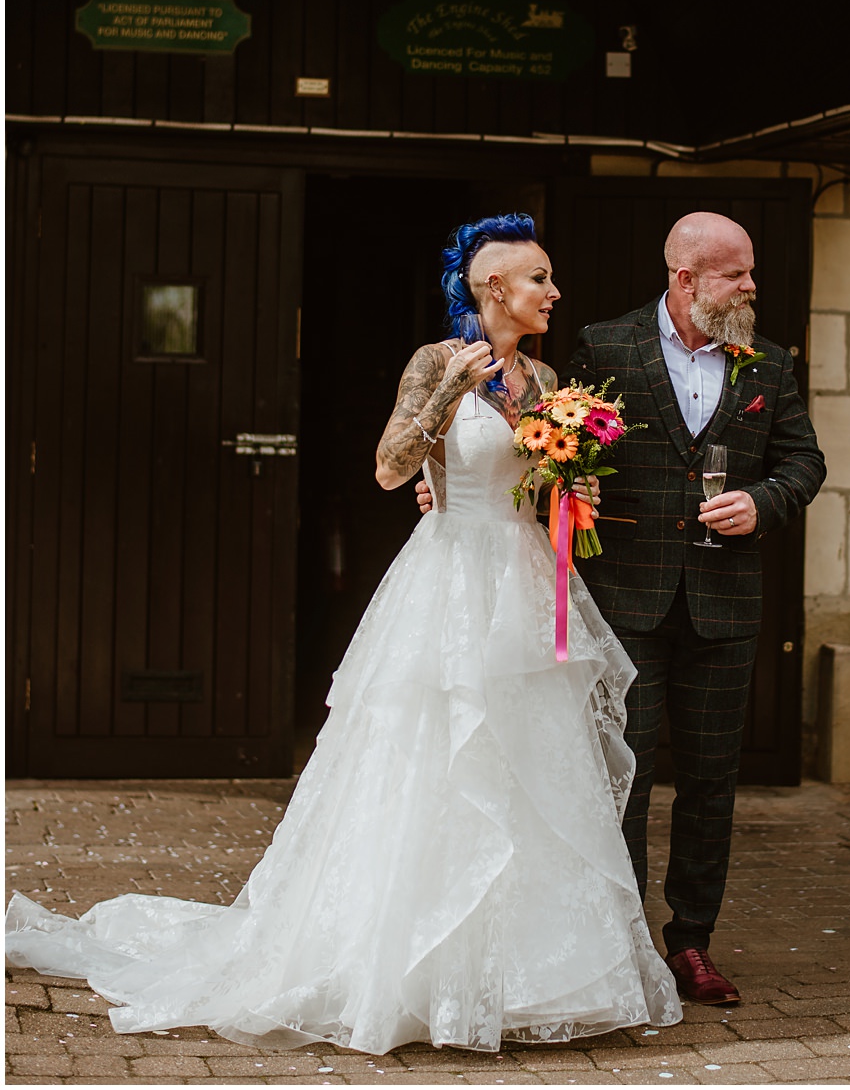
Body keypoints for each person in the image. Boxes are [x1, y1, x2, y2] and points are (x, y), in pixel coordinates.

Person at [5, 213, 680, 1055]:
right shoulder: (437, 361)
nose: (553, 291)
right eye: (539, 277)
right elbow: (392, 467)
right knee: (434, 759)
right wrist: (448, 393)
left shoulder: (543, 377)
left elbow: (535, 483)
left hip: (520, 579)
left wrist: (569, 481)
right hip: (446, 586)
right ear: (494, 288)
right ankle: (406, 968)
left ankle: (525, 975)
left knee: (528, 767)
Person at [417, 209, 825, 1008]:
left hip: (723, 605)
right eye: (735, 273)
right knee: (617, 775)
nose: (752, 286)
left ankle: (694, 943)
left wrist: (764, 500)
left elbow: (803, 458)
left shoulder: (769, 366)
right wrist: (448, 479)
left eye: (749, 272)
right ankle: (623, 940)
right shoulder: (604, 346)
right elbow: (539, 446)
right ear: (685, 278)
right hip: (623, 601)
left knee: (711, 782)